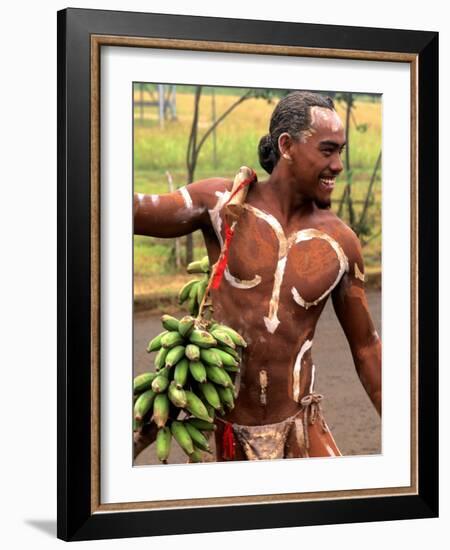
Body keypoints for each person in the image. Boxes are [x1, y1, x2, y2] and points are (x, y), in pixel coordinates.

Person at [133, 91, 381, 461]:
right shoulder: (221, 205)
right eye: (327, 151)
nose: (338, 166)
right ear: (287, 146)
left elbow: (366, 347)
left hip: (301, 427)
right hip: (228, 431)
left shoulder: (341, 243)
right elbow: (133, 210)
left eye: (341, 152)